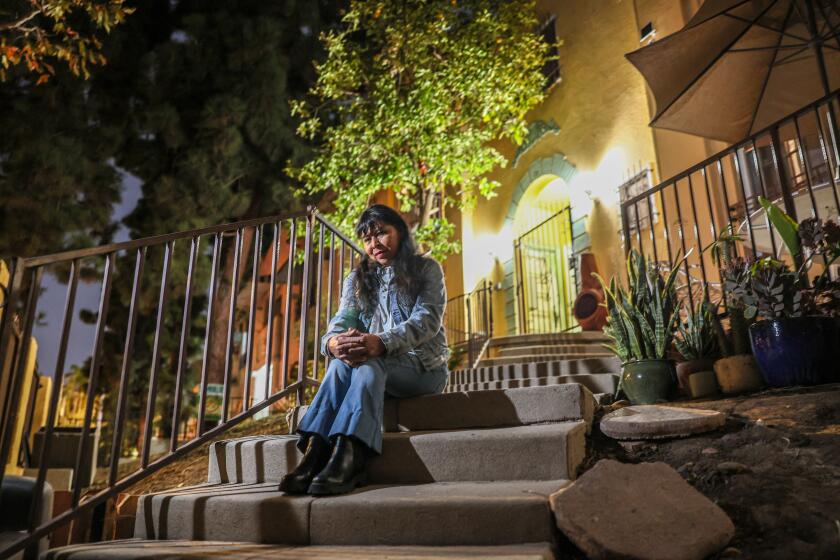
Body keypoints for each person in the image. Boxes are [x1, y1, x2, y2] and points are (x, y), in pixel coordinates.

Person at [279, 204, 450, 495]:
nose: (375, 243)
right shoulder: (356, 280)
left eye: (382, 233)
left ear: (400, 232)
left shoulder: (426, 269)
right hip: (374, 366)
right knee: (339, 363)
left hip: (423, 367)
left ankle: (352, 456)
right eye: (368, 238)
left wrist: (381, 342)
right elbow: (342, 321)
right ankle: (316, 452)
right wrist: (333, 343)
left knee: (371, 363)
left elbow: (427, 320)